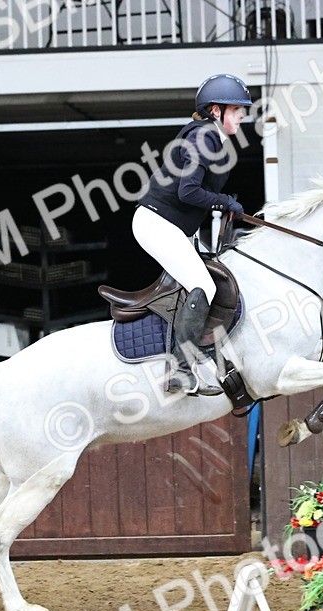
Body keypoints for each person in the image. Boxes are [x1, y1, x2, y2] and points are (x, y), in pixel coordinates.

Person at [135, 73, 252, 394]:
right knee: (202, 284)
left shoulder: (209, 137)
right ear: (216, 111)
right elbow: (188, 192)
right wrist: (225, 201)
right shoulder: (204, 138)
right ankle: (180, 372)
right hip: (157, 223)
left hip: (170, 225)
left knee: (203, 282)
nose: (243, 115)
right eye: (238, 109)